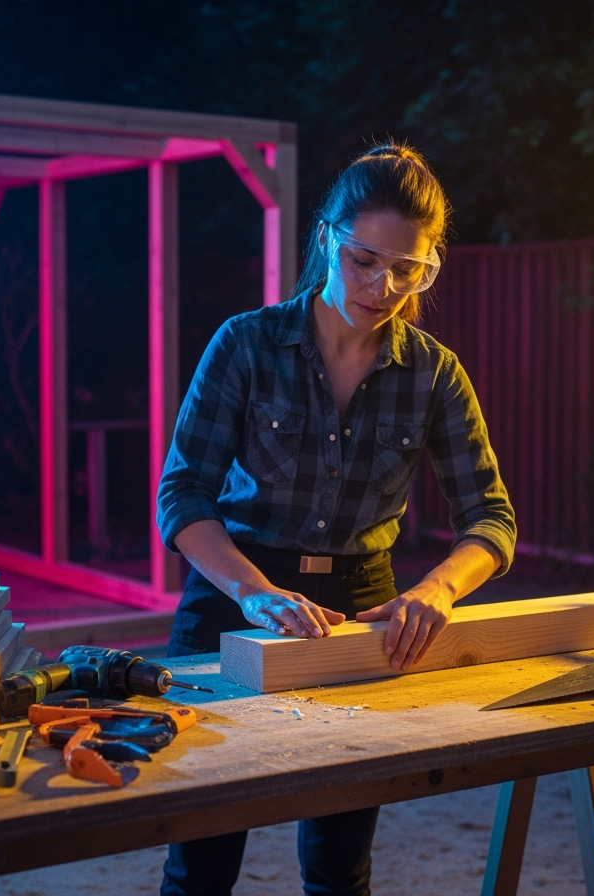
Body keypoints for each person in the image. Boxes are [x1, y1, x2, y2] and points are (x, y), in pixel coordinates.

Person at [154, 142, 516, 896]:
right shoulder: (246, 344)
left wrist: (439, 591)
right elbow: (182, 496)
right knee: (201, 863)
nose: (384, 286)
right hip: (234, 599)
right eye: (364, 260)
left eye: (407, 270)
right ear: (326, 236)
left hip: (363, 610)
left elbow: (491, 518)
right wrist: (254, 593)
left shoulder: (434, 372)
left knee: (340, 867)